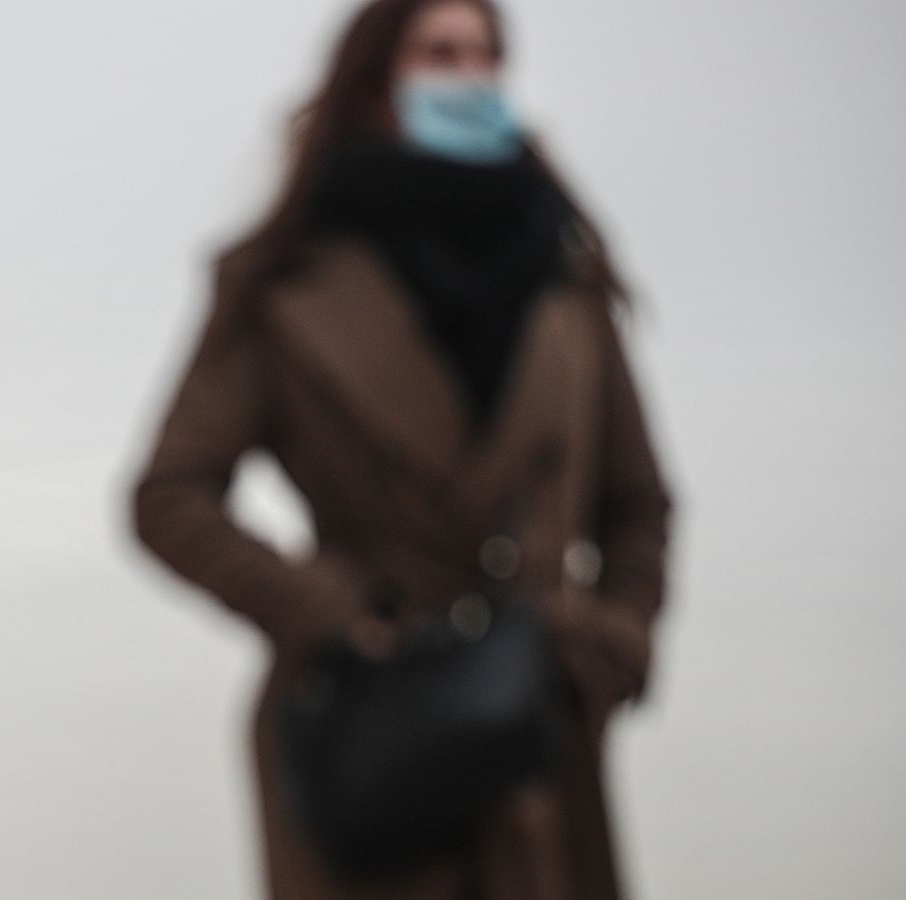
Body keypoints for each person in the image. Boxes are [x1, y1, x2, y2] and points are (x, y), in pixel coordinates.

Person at [129, 1, 674, 897]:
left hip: (534, 720)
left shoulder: (565, 284)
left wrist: (609, 645)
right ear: (375, 81)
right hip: (376, 737)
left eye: (488, 55)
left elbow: (639, 503)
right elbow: (170, 496)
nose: (469, 74)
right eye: (440, 52)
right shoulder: (284, 284)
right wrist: (333, 612)